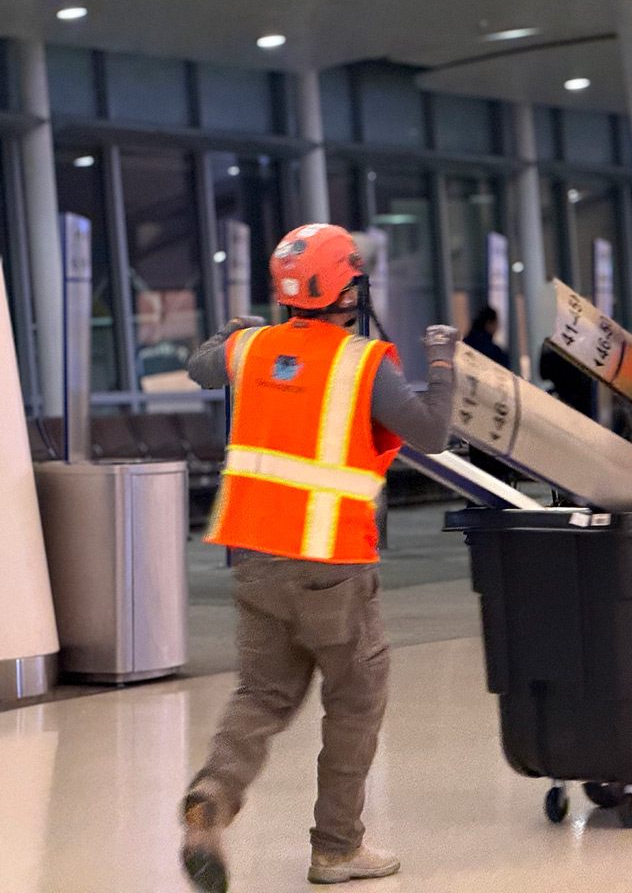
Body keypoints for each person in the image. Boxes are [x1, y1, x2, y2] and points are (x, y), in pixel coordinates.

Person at [179, 224, 459, 892]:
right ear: (349, 290)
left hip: (253, 558)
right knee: (355, 702)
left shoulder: (250, 349)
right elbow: (431, 432)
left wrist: (231, 332)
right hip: (331, 565)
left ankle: (211, 797)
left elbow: (199, 365)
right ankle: (336, 849)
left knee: (261, 694)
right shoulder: (364, 363)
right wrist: (443, 363)